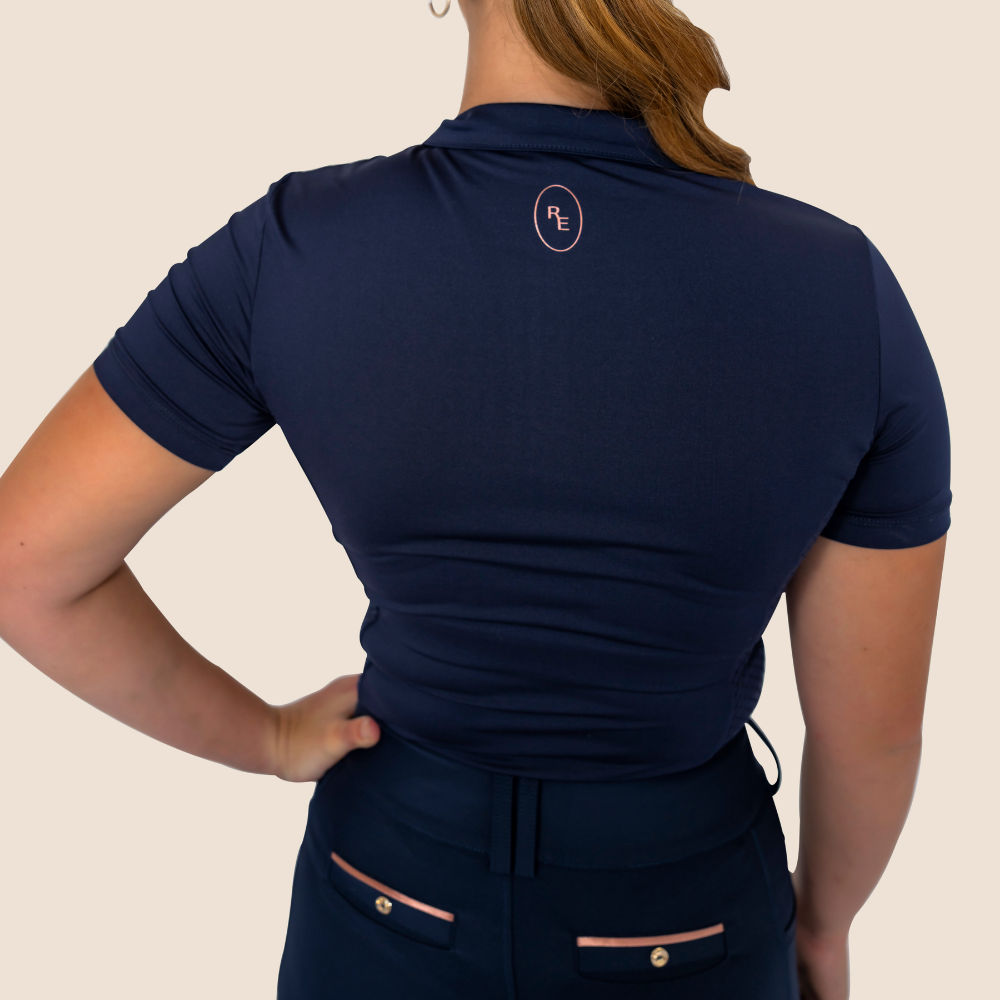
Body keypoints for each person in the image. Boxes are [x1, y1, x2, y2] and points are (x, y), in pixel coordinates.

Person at [0, 0, 949, 997]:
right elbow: (872, 734)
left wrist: (267, 738)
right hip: (687, 905)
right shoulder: (842, 290)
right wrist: (824, 927)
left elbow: (27, 568)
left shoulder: (294, 249)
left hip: (386, 885)